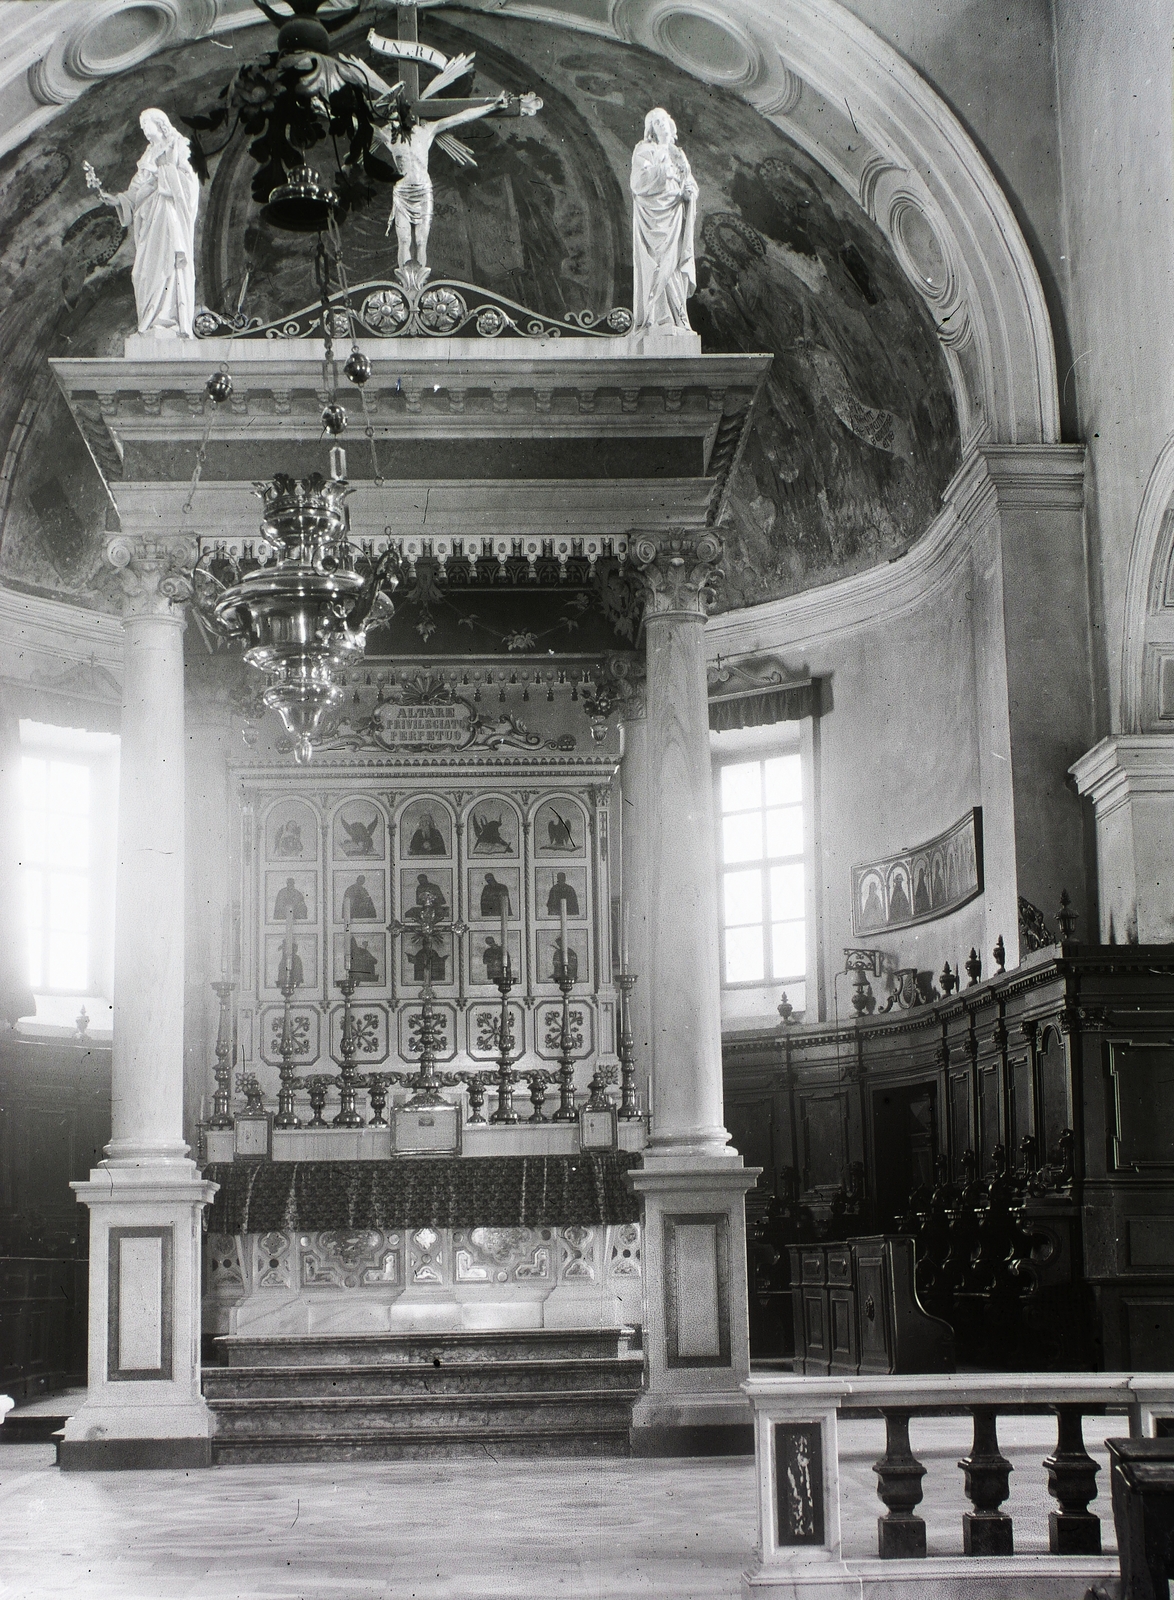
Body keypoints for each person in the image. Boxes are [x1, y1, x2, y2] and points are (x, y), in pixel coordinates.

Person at [372, 91, 517, 271]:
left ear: (404, 115)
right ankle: (405, 281)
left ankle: (419, 282)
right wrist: (329, 112)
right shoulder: (387, 135)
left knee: (420, 241)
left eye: (395, 117)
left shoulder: (425, 131)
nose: (393, 123)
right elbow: (356, 124)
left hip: (423, 191)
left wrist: (492, 106)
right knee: (403, 240)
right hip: (402, 193)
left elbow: (460, 117)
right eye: (390, 119)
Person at [90, 109, 199, 339]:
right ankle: (150, 320)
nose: (144, 129)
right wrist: (116, 199)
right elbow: (136, 189)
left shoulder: (176, 145)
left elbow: (189, 182)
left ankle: (167, 320)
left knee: (166, 265)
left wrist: (164, 173)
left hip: (167, 215)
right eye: (141, 126)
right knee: (143, 271)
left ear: (159, 124)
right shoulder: (148, 154)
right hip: (148, 219)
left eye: (146, 124)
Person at [630, 108, 698, 336]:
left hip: (675, 216)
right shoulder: (644, 149)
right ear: (650, 129)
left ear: (671, 124)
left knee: (674, 265)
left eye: (664, 121)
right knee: (657, 264)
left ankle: (678, 317)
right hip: (654, 219)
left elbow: (689, 184)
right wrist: (663, 169)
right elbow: (638, 183)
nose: (662, 125)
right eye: (656, 122)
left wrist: (690, 194)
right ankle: (657, 318)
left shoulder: (679, 154)